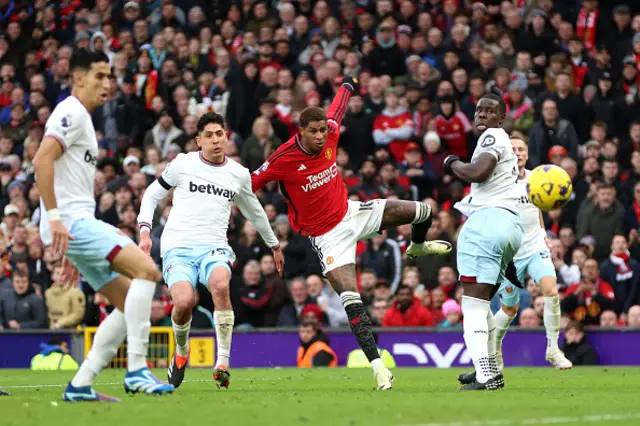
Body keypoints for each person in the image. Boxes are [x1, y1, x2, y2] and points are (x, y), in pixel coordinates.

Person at [251, 76, 452, 390]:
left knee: (423, 210)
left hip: (353, 213)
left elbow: (338, 108)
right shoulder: (282, 159)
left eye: (323, 130)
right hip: (327, 237)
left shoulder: (330, 132)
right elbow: (249, 185)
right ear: (300, 132)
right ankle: (378, 368)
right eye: (314, 131)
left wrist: (348, 83)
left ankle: (417, 246)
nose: (321, 136)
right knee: (352, 300)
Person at [33, 49, 172, 402]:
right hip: (72, 222)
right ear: (77, 78)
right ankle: (137, 369)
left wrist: (70, 244)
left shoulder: (82, 117)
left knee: (129, 302)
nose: (107, 83)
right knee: (146, 271)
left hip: (76, 226)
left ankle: (81, 384)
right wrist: (55, 219)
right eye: (99, 75)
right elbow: (41, 159)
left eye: (109, 76)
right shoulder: (72, 111)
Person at [138, 112, 283, 389]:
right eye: (209, 135)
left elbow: (254, 210)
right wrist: (145, 230)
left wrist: (273, 243)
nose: (216, 140)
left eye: (220, 134)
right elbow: (152, 194)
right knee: (183, 303)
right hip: (178, 247)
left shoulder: (238, 174)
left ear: (226, 137)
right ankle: (181, 353)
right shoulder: (183, 164)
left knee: (220, 284)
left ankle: (223, 362)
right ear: (198, 140)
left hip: (214, 246)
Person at [463, 138, 572, 379]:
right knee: (509, 308)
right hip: (509, 253)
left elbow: (538, 209)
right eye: (512, 150)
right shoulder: (497, 184)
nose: (517, 152)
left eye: (521, 149)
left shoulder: (538, 179)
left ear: (526, 153)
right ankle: (495, 348)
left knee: (551, 290)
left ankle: (553, 348)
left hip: (535, 247)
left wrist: (544, 235)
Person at [444, 94, 524, 390]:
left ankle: (486, 375)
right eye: (479, 110)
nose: (482, 115)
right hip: (509, 224)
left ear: (501, 118)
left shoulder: (494, 136)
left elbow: (478, 172)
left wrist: (452, 163)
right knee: (484, 304)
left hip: (488, 222)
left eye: (490, 111)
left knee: (473, 306)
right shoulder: (499, 139)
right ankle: (487, 367)